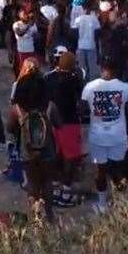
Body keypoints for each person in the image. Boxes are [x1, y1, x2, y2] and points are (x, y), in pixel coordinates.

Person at [81, 57, 128, 214]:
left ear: (101, 67)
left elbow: (83, 109)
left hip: (98, 136)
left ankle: (102, 205)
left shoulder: (90, 87)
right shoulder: (125, 87)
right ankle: (121, 203)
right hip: (118, 135)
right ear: (117, 69)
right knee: (118, 170)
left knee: (100, 170)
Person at [12, 59, 58, 222]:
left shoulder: (21, 85)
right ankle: (50, 214)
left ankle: (36, 216)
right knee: (47, 179)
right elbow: (52, 108)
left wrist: (22, 119)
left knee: (32, 181)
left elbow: (13, 116)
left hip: (27, 137)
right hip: (45, 135)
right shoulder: (44, 84)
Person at [44, 51, 83, 207]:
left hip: (52, 123)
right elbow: (80, 102)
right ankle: (66, 193)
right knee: (70, 158)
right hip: (70, 123)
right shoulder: (74, 80)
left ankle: (54, 190)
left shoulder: (48, 78)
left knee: (55, 156)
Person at [71, 0, 101, 82]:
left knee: (82, 68)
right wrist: (98, 49)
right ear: (90, 8)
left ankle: (82, 84)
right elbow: (97, 35)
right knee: (92, 68)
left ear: (83, 8)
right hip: (91, 45)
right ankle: (91, 85)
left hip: (81, 45)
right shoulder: (94, 19)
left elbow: (74, 33)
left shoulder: (78, 19)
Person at [13, 8, 38, 77]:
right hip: (21, 51)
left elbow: (36, 36)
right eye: (23, 14)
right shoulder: (16, 24)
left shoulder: (33, 24)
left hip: (30, 50)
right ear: (19, 15)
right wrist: (28, 26)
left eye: (26, 14)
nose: (25, 15)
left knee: (30, 69)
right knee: (21, 69)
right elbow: (19, 34)